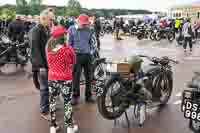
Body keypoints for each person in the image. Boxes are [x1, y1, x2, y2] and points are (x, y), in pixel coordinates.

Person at [46, 26, 78, 133]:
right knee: (67, 102)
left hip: (52, 78)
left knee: (52, 102)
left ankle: (53, 126)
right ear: (63, 37)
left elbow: (49, 63)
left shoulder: (48, 49)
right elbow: (74, 61)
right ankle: (69, 127)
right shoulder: (67, 49)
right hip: (65, 79)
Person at [29, 8, 55, 120]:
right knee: (44, 88)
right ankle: (44, 111)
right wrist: (41, 66)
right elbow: (35, 50)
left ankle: (47, 106)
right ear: (43, 18)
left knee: (48, 87)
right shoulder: (36, 30)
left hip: (46, 63)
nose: (52, 22)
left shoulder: (45, 28)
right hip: (42, 65)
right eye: (50, 19)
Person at [68, 14, 94, 105]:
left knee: (89, 77)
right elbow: (69, 44)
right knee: (76, 77)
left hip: (87, 56)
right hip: (76, 56)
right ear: (78, 21)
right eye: (83, 24)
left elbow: (91, 42)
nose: (84, 26)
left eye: (86, 24)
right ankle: (75, 96)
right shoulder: (71, 29)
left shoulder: (89, 30)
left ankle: (88, 96)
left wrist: (91, 51)